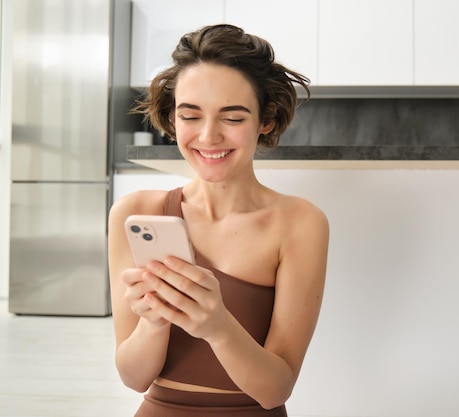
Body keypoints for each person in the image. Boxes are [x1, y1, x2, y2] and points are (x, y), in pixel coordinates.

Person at [108, 24, 329, 417]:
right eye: (190, 115)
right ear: (172, 119)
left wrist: (216, 325)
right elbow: (133, 377)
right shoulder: (135, 213)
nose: (208, 137)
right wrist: (154, 323)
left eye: (232, 118)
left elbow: (275, 389)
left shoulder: (299, 223)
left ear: (266, 118)